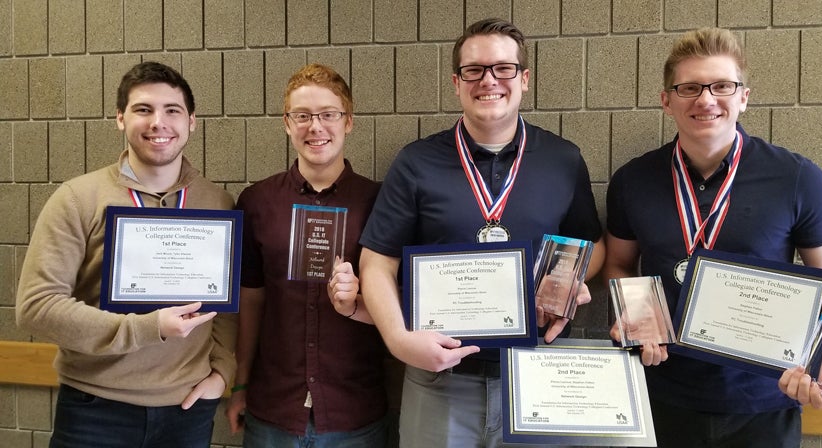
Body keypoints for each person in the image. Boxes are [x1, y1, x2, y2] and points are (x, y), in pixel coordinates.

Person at [601, 27, 822, 447]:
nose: (705, 99)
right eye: (689, 88)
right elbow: (620, 262)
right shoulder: (632, 180)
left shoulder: (796, 177)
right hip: (660, 391)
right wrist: (637, 314)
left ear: (743, 97)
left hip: (765, 398)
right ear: (667, 101)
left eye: (722, 86)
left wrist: (819, 349)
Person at [358, 18, 604, 447]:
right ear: (456, 82)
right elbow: (376, 262)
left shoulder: (563, 159)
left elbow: (591, 246)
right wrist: (398, 341)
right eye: (474, 70)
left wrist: (568, 280)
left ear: (524, 79)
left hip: (536, 375)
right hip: (440, 380)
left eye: (503, 68)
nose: (488, 80)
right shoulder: (416, 162)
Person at [16, 61, 237, 448]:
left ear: (192, 121)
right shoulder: (77, 198)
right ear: (120, 118)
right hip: (96, 409)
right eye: (143, 109)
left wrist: (223, 372)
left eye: (172, 110)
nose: (159, 122)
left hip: (186, 410)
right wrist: (146, 329)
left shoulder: (216, 204)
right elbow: (37, 306)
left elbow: (225, 306)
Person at [224, 63, 389, 447]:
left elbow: (399, 298)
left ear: (348, 122)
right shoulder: (257, 201)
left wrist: (360, 296)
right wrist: (240, 383)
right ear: (286, 123)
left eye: (328, 114)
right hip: (274, 411)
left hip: (354, 412)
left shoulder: (378, 202)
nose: (315, 127)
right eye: (302, 116)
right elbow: (250, 300)